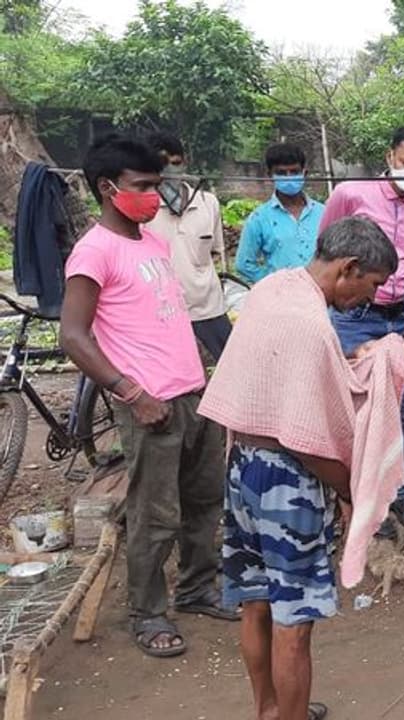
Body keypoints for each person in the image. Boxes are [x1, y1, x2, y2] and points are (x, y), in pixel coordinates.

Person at [200, 217, 401, 720]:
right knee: (295, 621)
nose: (368, 299)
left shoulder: (273, 289)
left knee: (255, 601)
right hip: (287, 480)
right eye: (371, 285)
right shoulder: (311, 325)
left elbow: (283, 377)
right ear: (349, 267)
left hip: (242, 467)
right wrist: (351, 489)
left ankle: (267, 709)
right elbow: (306, 437)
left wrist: (347, 359)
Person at [61, 134, 234, 660]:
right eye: (143, 186)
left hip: (191, 392)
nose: (155, 196)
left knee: (205, 501)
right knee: (155, 513)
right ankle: (148, 611)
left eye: (157, 185)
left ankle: (199, 587)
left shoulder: (150, 243)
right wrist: (131, 393)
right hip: (150, 404)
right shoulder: (93, 251)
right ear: (108, 188)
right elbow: (73, 335)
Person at [319, 125, 404, 535]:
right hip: (357, 314)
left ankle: (403, 497)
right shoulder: (351, 193)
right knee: (358, 407)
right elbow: (327, 248)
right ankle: (360, 501)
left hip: (403, 317)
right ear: (389, 158)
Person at [145, 132, 232, 360]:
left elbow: (214, 250)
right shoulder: (144, 210)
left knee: (229, 369)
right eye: (161, 164)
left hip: (209, 307)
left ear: (185, 161)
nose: (169, 170)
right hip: (160, 313)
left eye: (175, 163)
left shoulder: (208, 203)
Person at [235, 142, 325, 284]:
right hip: (281, 298)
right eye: (281, 173)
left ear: (304, 173)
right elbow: (244, 264)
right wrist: (274, 283)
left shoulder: (323, 213)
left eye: (294, 172)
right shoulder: (259, 218)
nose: (288, 177)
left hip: (321, 295)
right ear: (270, 175)